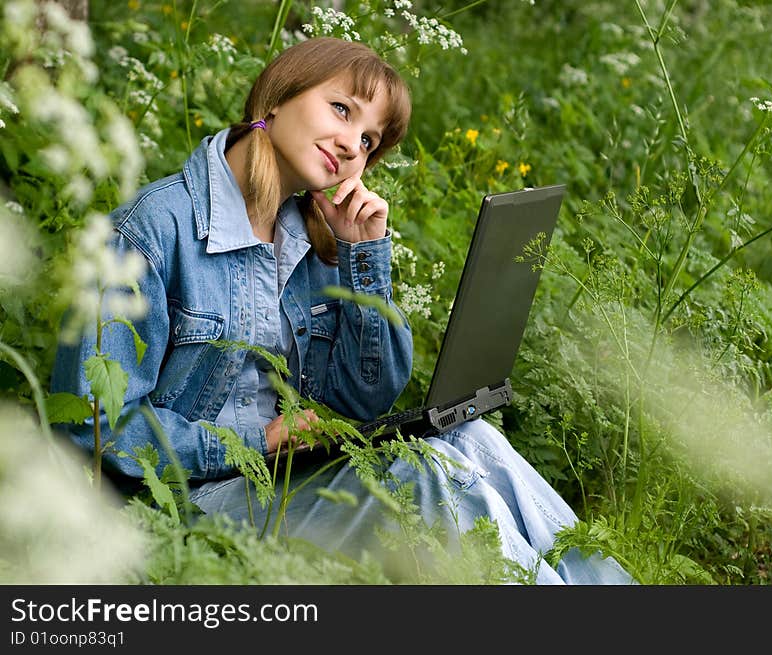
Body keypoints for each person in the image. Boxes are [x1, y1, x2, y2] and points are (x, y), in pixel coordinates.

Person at [51, 37, 635, 585]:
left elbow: (365, 400)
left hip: (284, 482)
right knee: (424, 482)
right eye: (341, 110)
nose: (352, 144)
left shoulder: (310, 237)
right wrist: (261, 438)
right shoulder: (153, 230)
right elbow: (93, 426)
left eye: (370, 140)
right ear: (277, 96)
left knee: (473, 439)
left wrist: (362, 256)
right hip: (187, 501)